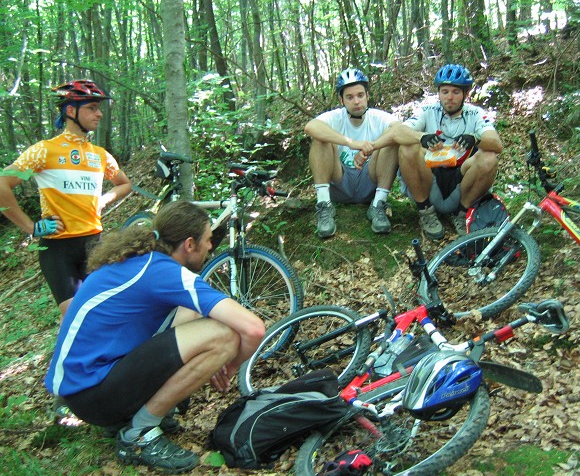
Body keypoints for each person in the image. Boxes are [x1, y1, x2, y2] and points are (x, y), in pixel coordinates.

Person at [44, 200, 266, 473]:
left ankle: (132, 414)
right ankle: (139, 433)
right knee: (225, 336)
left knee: (192, 310)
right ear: (189, 244)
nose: (211, 247)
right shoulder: (163, 272)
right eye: (208, 240)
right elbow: (253, 328)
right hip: (92, 395)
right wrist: (230, 366)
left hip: (83, 389)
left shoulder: (140, 260)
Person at [0, 79, 132, 317]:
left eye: (99, 108)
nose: (100, 114)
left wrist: (104, 199)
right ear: (71, 111)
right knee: (74, 315)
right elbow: (2, 184)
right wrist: (31, 227)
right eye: (92, 108)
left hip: (94, 244)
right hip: (58, 248)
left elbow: (125, 184)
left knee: (101, 312)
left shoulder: (100, 155)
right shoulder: (44, 151)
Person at [373, 64, 502, 240]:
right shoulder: (428, 110)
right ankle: (425, 211)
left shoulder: (475, 113)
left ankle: (462, 213)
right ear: (439, 93)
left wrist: (476, 139)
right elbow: (398, 133)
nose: (449, 97)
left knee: (489, 157)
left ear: (466, 94)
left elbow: (496, 144)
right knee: (408, 147)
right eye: (445, 91)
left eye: (456, 92)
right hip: (429, 179)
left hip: (461, 181)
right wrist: (421, 137)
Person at [304, 68, 399, 238]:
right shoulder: (336, 117)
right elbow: (311, 127)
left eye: (360, 95)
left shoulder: (378, 117)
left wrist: (371, 147)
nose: (356, 101)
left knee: (392, 139)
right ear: (341, 100)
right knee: (320, 139)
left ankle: (379, 203)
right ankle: (324, 205)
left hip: (370, 182)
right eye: (350, 97)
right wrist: (352, 143)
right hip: (340, 183)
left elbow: (400, 129)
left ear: (367, 96)